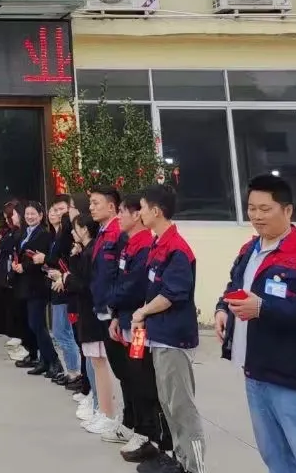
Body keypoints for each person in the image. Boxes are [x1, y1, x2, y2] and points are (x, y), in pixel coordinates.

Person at [215, 175, 296, 473]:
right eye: (251, 208)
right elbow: (235, 283)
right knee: (276, 457)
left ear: (287, 211)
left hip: (292, 377)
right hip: (254, 371)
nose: (257, 216)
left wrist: (263, 307)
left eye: (265, 209)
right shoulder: (250, 250)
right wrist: (223, 308)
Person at [134, 184, 205, 473]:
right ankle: (180, 460)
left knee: (182, 408)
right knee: (168, 403)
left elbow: (171, 294)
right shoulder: (158, 243)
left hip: (174, 338)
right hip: (158, 335)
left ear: (156, 210)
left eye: (141, 207)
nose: (139, 213)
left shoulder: (176, 249)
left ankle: (195, 467)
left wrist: (143, 311)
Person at [105, 194, 171, 457]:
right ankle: (142, 429)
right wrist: (115, 315)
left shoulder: (145, 246)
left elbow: (132, 287)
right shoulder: (131, 244)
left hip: (139, 327)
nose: (119, 216)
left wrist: (109, 301)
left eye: (124, 211)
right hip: (126, 321)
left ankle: (150, 434)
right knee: (132, 376)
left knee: (142, 378)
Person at [84, 184, 125, 436]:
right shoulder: (102, 233)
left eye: (96, 203)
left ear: (112, 206)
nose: (91, 208)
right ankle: (109, 415)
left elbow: (118, 275)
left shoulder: (118, 233)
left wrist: (114, 308)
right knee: (115, 365)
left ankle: (120, 419)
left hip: (114, 311)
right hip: (101, 307)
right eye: (90, 204)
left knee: (125, 370)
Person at [59, 214, 108, 427]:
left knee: (97, 363)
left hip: (93, 313)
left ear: (85, 230)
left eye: (75, 228)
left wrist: (66, 278)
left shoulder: (92, 251)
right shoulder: (85, 251)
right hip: (86, 312)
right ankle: (96, 404)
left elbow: (85, 284)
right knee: (90, 359)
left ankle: (103, 410)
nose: (72, 232)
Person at [13, 201, 62, 379]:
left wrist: (24, 267)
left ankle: (54, 361)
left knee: (38, 325)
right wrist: (16, 264)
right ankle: (43, 361)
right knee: (33, 324)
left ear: (41, 216)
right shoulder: (25, 233)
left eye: (33, 213)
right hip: (25, 285)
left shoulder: (44, 235)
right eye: (27, 214)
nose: (29, 217)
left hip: (37, 285)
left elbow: (40, 260)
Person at [44, 195, 83, 386]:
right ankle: (72, 371)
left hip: (65, 287)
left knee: (63, 332)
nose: (57, 213)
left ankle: (75, 372)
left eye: (61, 209)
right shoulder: (57, 233)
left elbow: (71, 262)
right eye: (54, 210)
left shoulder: (69, 233)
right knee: (62, 332)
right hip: (57, 284)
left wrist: (61, 275)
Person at [0, 201, 26, 360]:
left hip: (16, 277)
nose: (8, 219)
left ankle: (23, 344)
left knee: (18, 312)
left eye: (10, 216)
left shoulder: (19, 233)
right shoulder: (10, 231)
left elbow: (12, 247)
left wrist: (1, 242)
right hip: (6, 275)